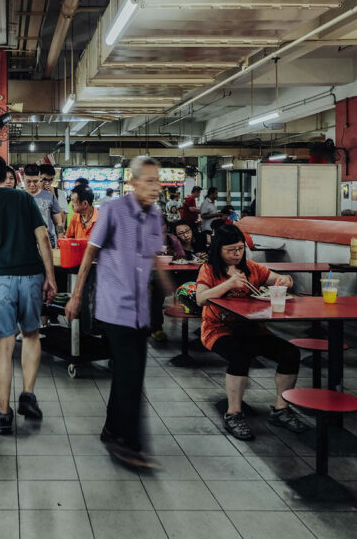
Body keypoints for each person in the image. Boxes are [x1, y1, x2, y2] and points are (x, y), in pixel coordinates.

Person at [65, 156, 173, 468]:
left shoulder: (154, 216)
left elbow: (153, 258)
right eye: (149, 181)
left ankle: (112, 429)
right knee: (130, 375)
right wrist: (75, 298)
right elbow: (89, 254)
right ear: (133, 182)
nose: (156, 187)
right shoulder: (113, 211)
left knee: (131, 372)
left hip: (140, 309)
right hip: (115, 308)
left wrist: (170, 292)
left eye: (158, 181)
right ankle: (128, 445)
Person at [0, 154, 57, 434]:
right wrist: (50, 277)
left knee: (3, 347)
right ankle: (28, 395)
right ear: (7, 175)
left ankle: (4, 415)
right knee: (30, 335)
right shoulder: (24, 199)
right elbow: (43, 237)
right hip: (31, 276)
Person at [196, 225, 308, 441]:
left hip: (253, 329)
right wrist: (229, 283)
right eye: (231, 250)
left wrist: (286, 281)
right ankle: (233, 414)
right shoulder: (209, 270)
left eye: (240, 249)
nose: (236, 254)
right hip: (217, 329)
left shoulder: (252, 268)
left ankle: (281, 409)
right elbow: (201, 298)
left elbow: (281, 280)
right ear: (218, 250)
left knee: (290, 353)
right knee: (239, 356)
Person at [23, 164, 63, 247]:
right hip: (24, 243)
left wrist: (60, 239)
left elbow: (59, 222)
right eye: (28, 181)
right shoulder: (18, 197)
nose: (32, 185)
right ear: (24, 179)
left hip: (47, 242)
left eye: (35, 181)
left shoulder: (50, 196)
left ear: (40, 179)